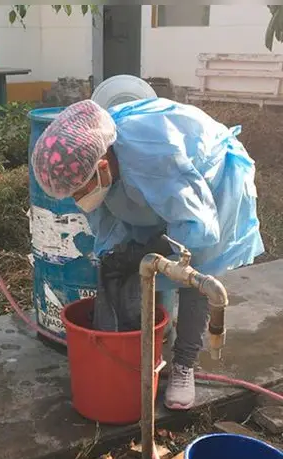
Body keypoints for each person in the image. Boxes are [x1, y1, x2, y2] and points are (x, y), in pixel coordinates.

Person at [31, 98, 263, 411]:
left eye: (78, 190)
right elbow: (110, 228)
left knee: (193, 273)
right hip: (160, 186)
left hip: (210, 183)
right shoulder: (100, 159)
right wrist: (122, 254)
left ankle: (184, 364)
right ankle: (144, 346)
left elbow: (195, 229)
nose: (77, 198)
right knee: (128, 259)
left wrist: (149, 251)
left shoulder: (153, 158)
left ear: (102, 166)